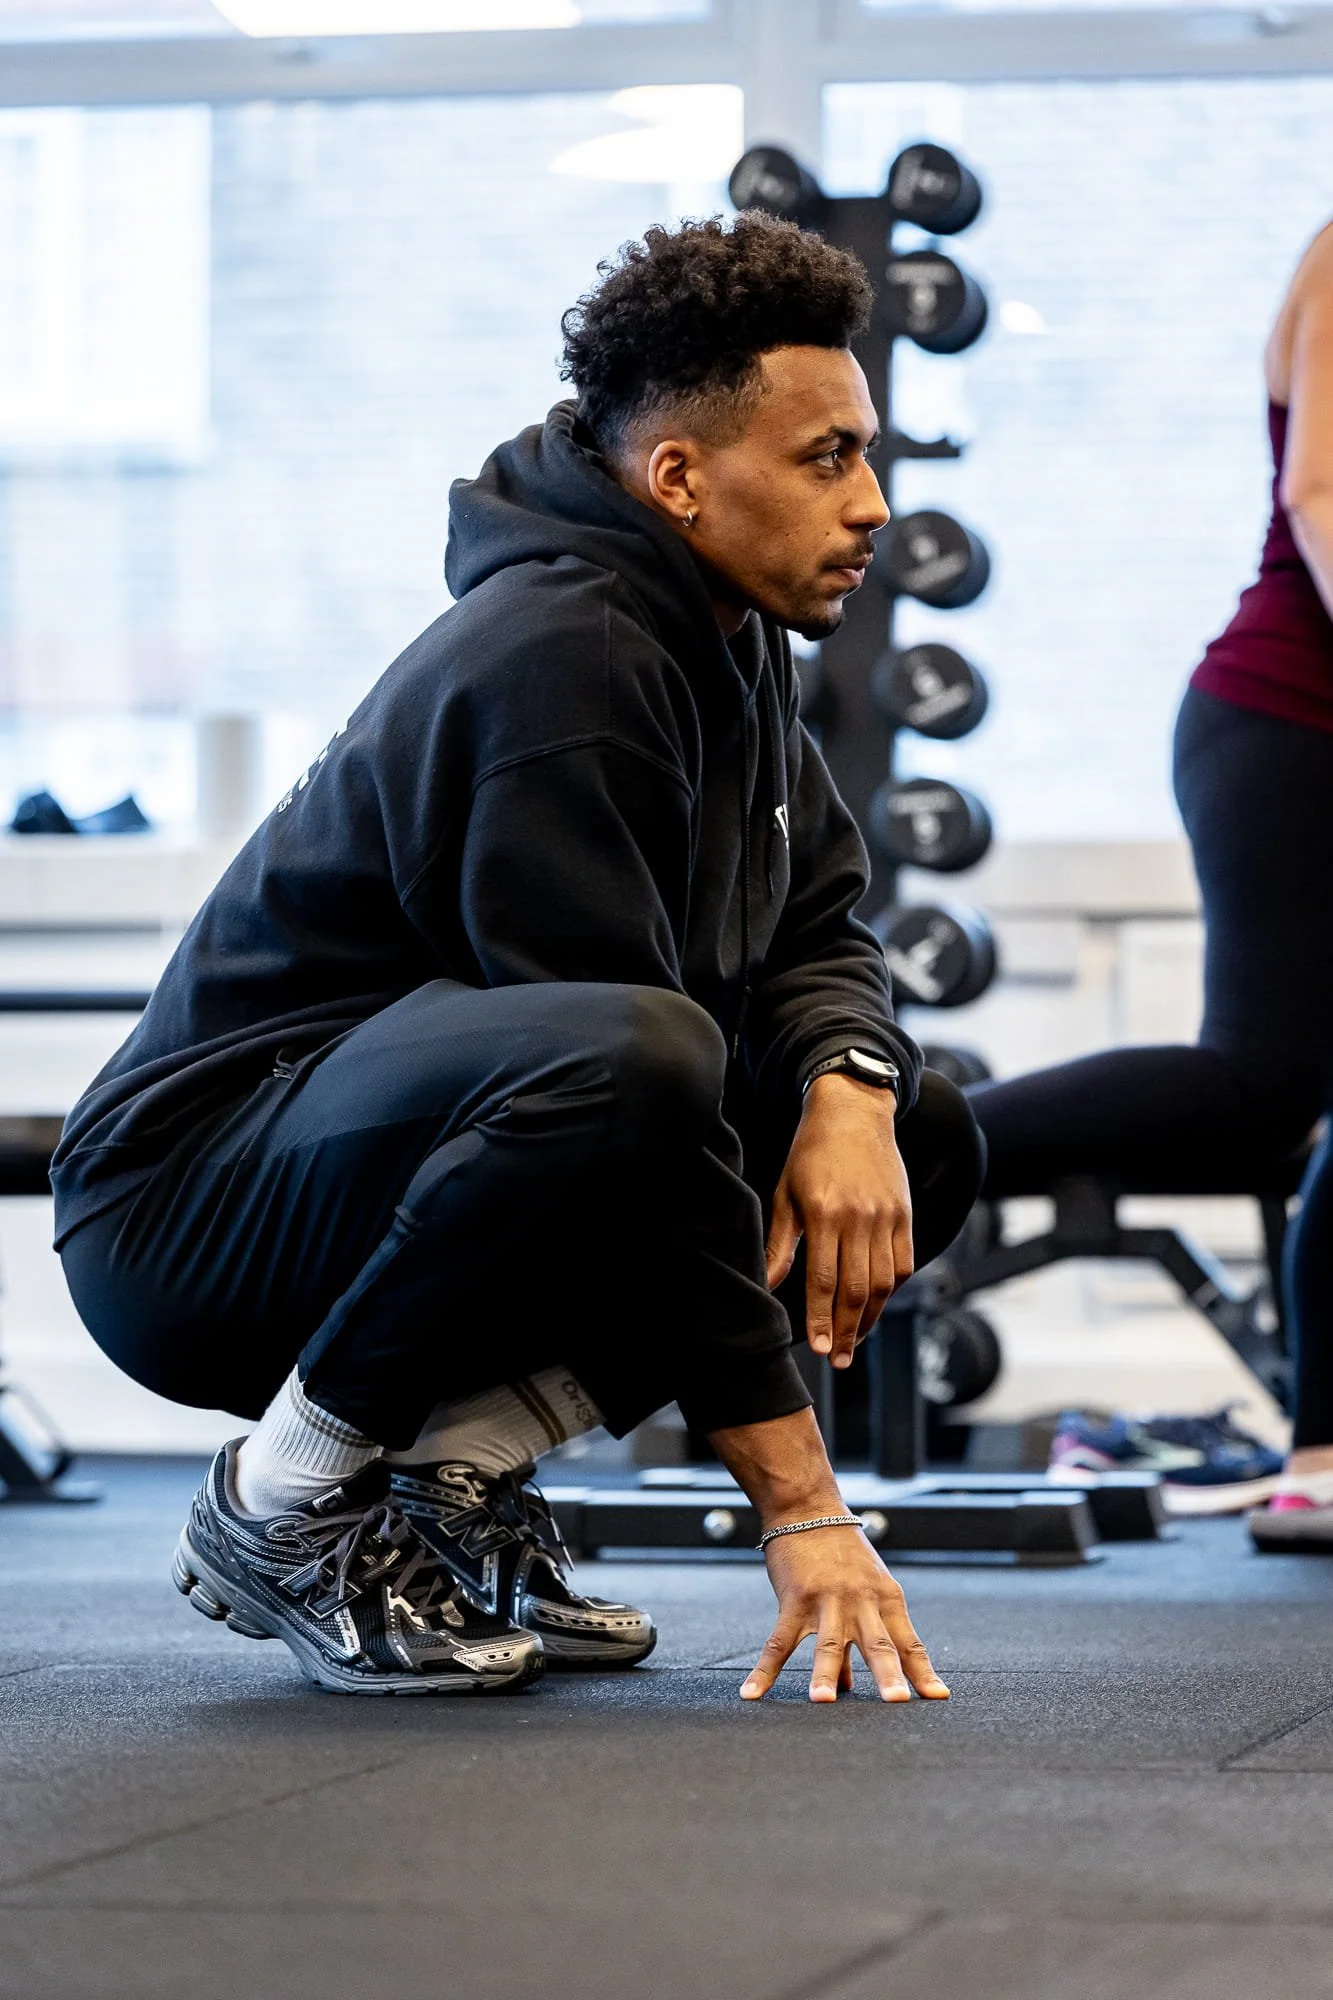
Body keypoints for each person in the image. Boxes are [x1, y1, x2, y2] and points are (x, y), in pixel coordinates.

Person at [52, 214, 984, 1698]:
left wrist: (855, 1089)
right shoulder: (567, 650)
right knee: (647, 1056)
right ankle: (284, 1502)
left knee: (916, 1131)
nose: (871, 504)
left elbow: (816, 922)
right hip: (185, 1217)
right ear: (679, 477)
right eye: (828, 460)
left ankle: (448, 1482)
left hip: (414, 1163)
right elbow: (645, 1117)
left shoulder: (730, 635)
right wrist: (803, 1505)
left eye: (869, 453)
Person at [968, 221, 1333, 1547]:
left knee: (1278, 1095)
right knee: (1264, 1085)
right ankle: (891, 1148)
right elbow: (1323, 494)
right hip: (1294, 717)